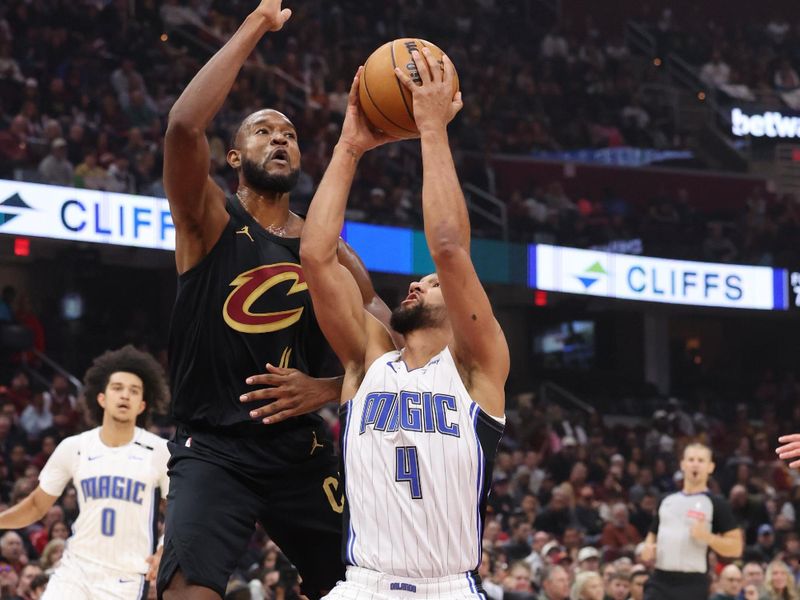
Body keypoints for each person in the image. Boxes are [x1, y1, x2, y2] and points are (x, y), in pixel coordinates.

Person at [157, 2, 396, 598]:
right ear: (234, 158)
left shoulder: (330, 251)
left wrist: (328, 389)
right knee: (190, 591)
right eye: (264, 131)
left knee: (363, 581)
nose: (280, 139)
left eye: (289, 134)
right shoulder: (209, 220)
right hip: (213, 446)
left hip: (300, 450)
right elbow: (184, 127)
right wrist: (257, 26)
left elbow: (392, 353)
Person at [300, 46, 508, 595]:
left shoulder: (477, 368)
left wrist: (432, 128)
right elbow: (316, 257)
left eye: (431, 282)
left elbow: (447, 246)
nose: (416, 282)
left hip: (447, 586)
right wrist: (348, 146)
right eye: (417, 280)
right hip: (362, 584)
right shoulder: (368, 359)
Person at [0, 345, 169, 599]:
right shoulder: (74, 447)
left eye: (134, 391)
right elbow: (36, 505)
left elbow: (181, 510)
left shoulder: (159, 450)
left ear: (142, 405)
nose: (125, 395)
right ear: (101, 398)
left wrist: (163, 549)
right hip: (76, 568)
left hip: (126, 575)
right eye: (117, 388)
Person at [641, 443, 743, 600]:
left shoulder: (717, 504)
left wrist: (707, 537)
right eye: (691, 459)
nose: (695, 464)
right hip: (660, 579)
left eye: (701, 460)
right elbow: (652, 534)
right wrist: (647, 549)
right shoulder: (666, 500)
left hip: (693, 583)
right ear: (683, 465)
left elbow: (736, 548)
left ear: (710, 467)